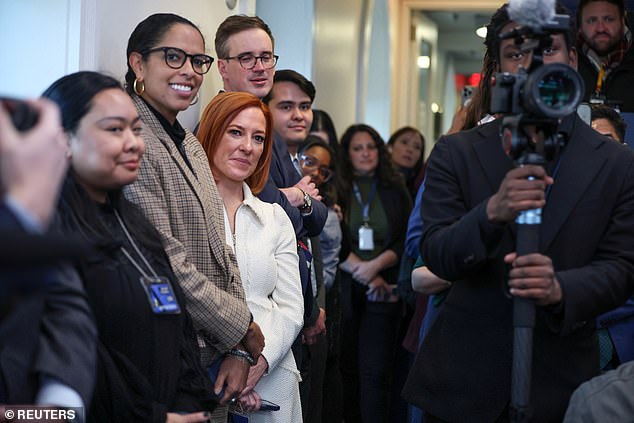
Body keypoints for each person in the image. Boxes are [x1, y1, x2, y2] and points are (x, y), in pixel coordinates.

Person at [402, 3, 634, 422]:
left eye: (547, 49)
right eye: (516, 52)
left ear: (572, 60)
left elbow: (622, 266)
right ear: (498, 68)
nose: (532, 64)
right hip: (462, 384)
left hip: (562, 382)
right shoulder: (458, 151)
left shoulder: (615, 162)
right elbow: (435, 251)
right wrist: (491, 212)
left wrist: (561, 288)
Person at [44, 70, 217, 422]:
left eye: (136, 130)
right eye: (114, 129)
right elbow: (77, 362)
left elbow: (178, 326)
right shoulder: (46, 233)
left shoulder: (136, 221)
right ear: (63, 138)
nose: (134, 142)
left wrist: (186, 403)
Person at [121, 13, 264, 423]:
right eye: (173, 57)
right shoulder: (133, 141)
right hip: (164, 353)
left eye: (198, 61)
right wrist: (241, 328)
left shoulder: (190, 142)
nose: (189, 71)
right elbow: (164, 262)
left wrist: (236, 348)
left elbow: (223, 251)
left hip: (215, 354)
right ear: (137, 63)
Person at [198, 91, 304, 423]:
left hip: (272, 376)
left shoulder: (275, 218)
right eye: (236, 132)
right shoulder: (189, 213)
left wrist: (257, 364)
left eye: (258, 138)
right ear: (213, 132)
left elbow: (291, 309)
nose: (248, 146)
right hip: (206, 375)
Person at [0, 98, 96, 410]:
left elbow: (66, 307)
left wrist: (59, 405)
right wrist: (28, 202)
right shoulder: (29, 206)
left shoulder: (41, 222)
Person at [338, 123, 412, 423]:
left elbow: (405, 237)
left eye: (370, 147)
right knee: (346, 371)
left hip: (384, 288)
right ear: (347, 154)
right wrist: (363, 271)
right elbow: (332, 240)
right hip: (344, 290)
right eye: (357, 148)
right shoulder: (337, 188)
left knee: (376, 373)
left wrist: (375, 269)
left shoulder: (395, 188)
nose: (365, 153)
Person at [298, 136, 344, 423]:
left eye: (323, 169)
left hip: (316, 308)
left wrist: (314, 308)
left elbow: (327, 268)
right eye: (310, 161)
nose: (315, 171)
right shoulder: (282, 193)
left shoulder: (328, 213)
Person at [577, 0, 634, 111]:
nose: (601, 29)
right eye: (592, 20)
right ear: (580, 24)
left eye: (608, 19)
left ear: (623, 20)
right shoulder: (565, 54)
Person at [215, 15, 277, 99]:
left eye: (266, 58)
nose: (260, 68)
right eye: (246, 59)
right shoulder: (222, 111)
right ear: (223, 68)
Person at [386, 126, 426, 199]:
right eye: (404, 142)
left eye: (417, 147)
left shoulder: (421, 187)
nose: (410, 150)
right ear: (390, 147)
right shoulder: (376, 178)